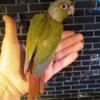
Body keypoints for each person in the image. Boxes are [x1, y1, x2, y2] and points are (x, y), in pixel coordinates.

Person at [0, 15, 84, 100]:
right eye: (63, 6)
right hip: (35, 61)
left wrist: (6, 86)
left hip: (39, 61)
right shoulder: (41, 20)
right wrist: (5, 84)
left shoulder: (55, 26)